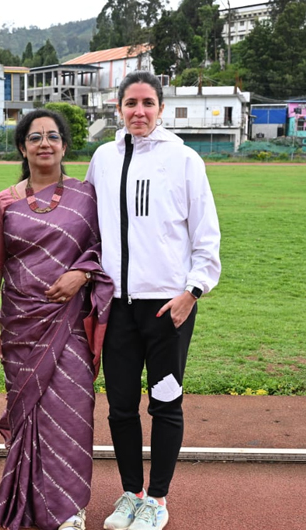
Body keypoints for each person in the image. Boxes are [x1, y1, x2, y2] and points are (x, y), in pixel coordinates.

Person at [85, 71, 221, 530]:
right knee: (120, 405)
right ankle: (131, 492)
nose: (138, 112)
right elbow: (90, 227)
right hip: (117, 305)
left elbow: (206, 237)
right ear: (118, 108)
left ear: (160, 108)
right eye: (130, 103)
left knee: (164, 402)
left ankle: (158, 498)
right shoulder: (103, 157)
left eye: (147, 103)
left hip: (168, 305)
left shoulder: (184, 159)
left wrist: (192, 291)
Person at [0, 109, 114, 530]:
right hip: (21, 325)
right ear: (22, 147)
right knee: (29, 415)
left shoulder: (86, 197)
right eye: (35, 137)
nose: (44, 143)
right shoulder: (6, 202)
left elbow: (104, 249)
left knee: (71, 411)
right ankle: (27, 503)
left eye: (52, 136)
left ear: (64, 145)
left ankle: (69, 510)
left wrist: (82, 273)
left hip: (70, 323)